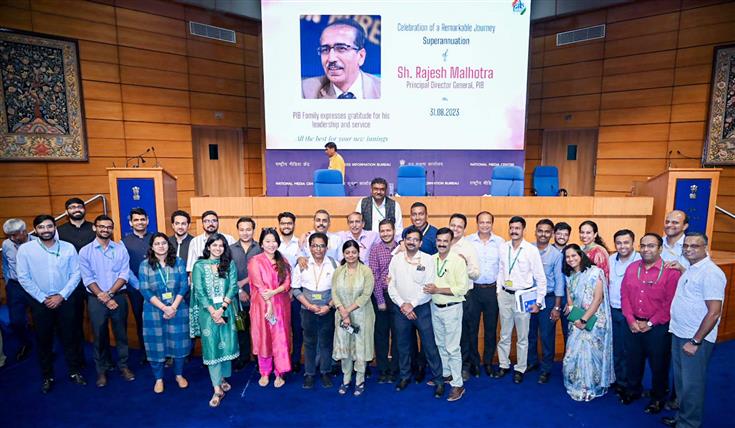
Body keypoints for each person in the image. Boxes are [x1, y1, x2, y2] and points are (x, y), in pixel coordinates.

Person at [662, 233, 726, 428]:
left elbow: (714, 313)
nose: (689, 249)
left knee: (692, 385)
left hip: (695, 338)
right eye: (686, 246)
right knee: (682, 382)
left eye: (695, 246)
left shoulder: (711, 273)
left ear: (706, 247)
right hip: (680, 333)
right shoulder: (691, 269)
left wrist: (696, 341)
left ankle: (688, 424)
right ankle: (682, 417)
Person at [16, 215, 84, 393]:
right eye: (41, 227)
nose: (46, 230)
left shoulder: (68, 247)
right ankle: (47, 376)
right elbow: (23, 277)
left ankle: (74, 371)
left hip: (65, 300)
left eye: (49, 226)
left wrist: (61, 296)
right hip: (41, 303)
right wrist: (43, 298)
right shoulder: (26, 250)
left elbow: (76, 274)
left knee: (70, 338)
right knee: (43, 340)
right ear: (35, 230)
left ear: (55, 227)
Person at [620, 233, 680, 413]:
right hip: (633, 324)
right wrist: (630, 319)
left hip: (658, 328)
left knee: (659, 365)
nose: (646, 249)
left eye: (651, 246)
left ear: (660, 249)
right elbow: (624, 296)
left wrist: (651, 323)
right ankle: (633, 390)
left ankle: (658, 397)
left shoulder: (671, 272)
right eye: (643, 245)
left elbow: (669, 303)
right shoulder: (632, 268)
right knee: (633, 361)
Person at [388, 226, 444, 398]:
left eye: (415, 239)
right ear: (404, 241)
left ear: (420, 243)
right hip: (400, 309)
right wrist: (403, 305)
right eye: (408, 239)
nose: (411, 242)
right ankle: (405, 376)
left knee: (429, 345)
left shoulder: (428, 260)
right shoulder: (396, 259)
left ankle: (439, 380)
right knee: (403, 345)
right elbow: (391, 285)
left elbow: (428, 287)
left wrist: (411, 304)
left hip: (422, 308)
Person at [79, 215, 135, 387]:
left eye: (108, 227)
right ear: (94, 228)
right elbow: (87, 278)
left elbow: (124, 274)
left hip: (117, 296)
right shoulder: (85, 251)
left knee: (121, 334)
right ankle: (101, 370)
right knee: (99, 335)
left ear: (112, 229)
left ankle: (124, 366)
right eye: (101, 226)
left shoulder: (120, 249)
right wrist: (102, 296)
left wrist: (110, 293)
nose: (105, 229)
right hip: (96, 298)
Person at [495, 216, 547, 384]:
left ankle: (520, 368)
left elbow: (541, 278)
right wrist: (498, 291)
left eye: (517, 228)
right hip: (505, 295)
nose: (514, 231)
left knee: (523, 336)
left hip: (523, 297)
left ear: (523, 230)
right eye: (511, 228)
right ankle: (504, 364)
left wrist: (538, 302)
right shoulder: (503, 248)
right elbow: (501, 270)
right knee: (504, 333)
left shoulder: (531, 250)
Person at [190, 233, 239, 407]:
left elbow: (233, 287)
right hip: (207, 314)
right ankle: (217, 388)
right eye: (215, 245)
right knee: (211, 347)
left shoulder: (229, 264)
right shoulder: (199, 266)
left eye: (221, 246)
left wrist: (222, 309)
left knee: (226, 344)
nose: (218, 248)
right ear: (208, 246)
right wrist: (213, 312)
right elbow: (199, 291)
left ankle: (222, 377)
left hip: (226, 310)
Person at [138, 233, 191, 393]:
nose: (161, 246)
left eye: (164, 243)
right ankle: (159, 379)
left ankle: (179, 375)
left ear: (169, 245)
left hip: (178, 308)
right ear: (152, 247)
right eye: (157, 243)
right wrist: (164, 308)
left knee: (179, 343)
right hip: (154, 311)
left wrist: (173, 307)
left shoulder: (179, 262)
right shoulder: (145, 265)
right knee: (156, 345)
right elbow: (145, 289)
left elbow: (184, 285)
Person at [562, 244, 614, 401]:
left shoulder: (595, 272)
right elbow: (570, 297)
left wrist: (584, 319)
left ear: (581, 255)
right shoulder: (570, 275)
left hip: (593, 320)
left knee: (591, 355)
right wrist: (573, 313)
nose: (571, 259)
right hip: (575, 320)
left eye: (574, 255)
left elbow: (598, 299)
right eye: (568, 257)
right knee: (572, 354)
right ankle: (576, 383)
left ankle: (591, 385)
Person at [425, 228, 468, 401]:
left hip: (452, 308)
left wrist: (438, 289)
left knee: (452, 348)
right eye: (439, 240)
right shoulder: (431, 260)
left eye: (445, 241)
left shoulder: (458, 261)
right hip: (435, 307)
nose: (442, 244)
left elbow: (461, 289)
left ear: (451, 242)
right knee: (441, 345)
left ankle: (458, 385)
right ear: (436, 241)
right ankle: (446, 374)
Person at [291, 232, 337, 389]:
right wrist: (309, 305)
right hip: (307, 309)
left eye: (322, 246)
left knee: (326, 342)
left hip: (327, 309)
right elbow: (296, 289)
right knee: (309, 343)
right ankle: (309, 374)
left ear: (326, 247)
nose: (318, 249)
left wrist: (329, 306)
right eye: (315, 245)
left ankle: (325, 372)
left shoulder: (334, 264)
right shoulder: (302, 264)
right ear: (310, 247)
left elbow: (338, 291)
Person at [248, 228, 292, 387]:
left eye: (274, 241)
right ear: (261, 243)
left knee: (281, 338)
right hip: (261, 305)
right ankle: (264, 372)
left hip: (280, 304)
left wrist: (274, 292)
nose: (271, 244)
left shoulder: (283, 261)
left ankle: (280, 373)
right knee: (264, 338)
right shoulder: (255, 261)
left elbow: (287, 284)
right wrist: (268, 303)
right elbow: (258, 285)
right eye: (267, 241)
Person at [57, 197, 98, 367]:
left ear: (84, 209)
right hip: (71, 284)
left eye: (79, 206)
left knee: (98, 321)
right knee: (74, 322)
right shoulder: (59, 231)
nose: (76, 209)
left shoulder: (94, 228)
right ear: (67, 212)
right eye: (72, 207)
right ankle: (78, 359)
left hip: (96, 282)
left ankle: (102, 359)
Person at [332, 240, 375, 396]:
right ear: (344, 254)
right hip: (342, 317)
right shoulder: (338, 271)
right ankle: (346, 379)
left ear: (358, 253)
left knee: (360, 348)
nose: (351, 255)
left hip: (362, 315)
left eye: (354, 252)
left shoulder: (366, 271)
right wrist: (343, 312)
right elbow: (334, 293)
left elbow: (366, 295)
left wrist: (347, 311)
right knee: (345, 348)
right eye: (347, 252)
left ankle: (360, 380)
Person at [302, 18, 380, 99]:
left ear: (361, 56)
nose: (331, 59)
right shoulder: (305, 90)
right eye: (325, 50)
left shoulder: (383, 89)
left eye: (341, 48)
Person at [466, 211, 504, 377]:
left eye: (488, 222)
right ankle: (474, 363)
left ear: (492, 223)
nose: (485, 225)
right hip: (473, 291)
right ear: (477, 223)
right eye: (482, 222)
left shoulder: (500, 242)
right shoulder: (468, 241)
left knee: (490, 330)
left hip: (492, 291)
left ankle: (488, 362)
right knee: (471, 329)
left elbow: (503, 268)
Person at [527, 219, 565, 384]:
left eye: (547, 231)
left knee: (547, 335)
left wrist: (557, 306)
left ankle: (546, 368)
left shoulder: (556, 255)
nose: (543, 234)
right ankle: (532, 362)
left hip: (548, 298)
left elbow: (559, 282)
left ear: (551, 234)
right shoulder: (527, 249)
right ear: (535, 232)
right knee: (530, 333)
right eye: (540, 230)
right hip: (529, 296)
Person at [446, 213, 480, 381]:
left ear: (464, 229)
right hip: (445, 297)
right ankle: (449, 367)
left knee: (464, 333)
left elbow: (476, 274)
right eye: (453, 225)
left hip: (464, 296)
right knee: (449, 334)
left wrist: (463, 264)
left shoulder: (468, 247)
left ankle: (465, 366)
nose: (455, 229)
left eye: (459, 226)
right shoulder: (443, 243)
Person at [607, 229, 641, 397]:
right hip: (613, 310)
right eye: (619, 243)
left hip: (632, 314)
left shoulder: (641, 260)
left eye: (626, 242)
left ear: (633, 243)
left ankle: (631, 385)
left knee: (631, 351)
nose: (622, 246)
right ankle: (619, 381)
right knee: (617, 348)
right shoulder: (611, 259)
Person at [368, 218, 400, 383]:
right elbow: (373, 275)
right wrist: (380, 300)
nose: (386, 233)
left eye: (388, 230)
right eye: (383, 231)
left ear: (394, 231)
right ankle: (383, 370)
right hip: (381, 294)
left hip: (398, 297)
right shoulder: (375, 249)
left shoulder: (401, 248)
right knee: (380, 334)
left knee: (397, 333)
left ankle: (394, 369)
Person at [229, 217, 262, 370]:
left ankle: (258, 357)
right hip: (237, 296)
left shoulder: (260, 248)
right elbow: (228, 272)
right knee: (241, 328)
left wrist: (244, 283)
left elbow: (262, 271)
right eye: (242, 229)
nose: (245, 233)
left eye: (248, 229)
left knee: (257, 328)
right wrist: (240, 289)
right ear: (237, 230)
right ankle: (243, 357)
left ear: (253, 230)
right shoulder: (230, 249)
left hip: (258, 296)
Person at [122, 207, 154, 364]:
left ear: (147, 220)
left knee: (159, 320)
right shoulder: (123, 242)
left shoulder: (156, 238)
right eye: (136, 220)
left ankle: (164, 352)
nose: (140, 222)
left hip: (157, 289)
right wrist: (139, 285)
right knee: (141, 321)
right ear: (130, 222)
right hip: (136, 290)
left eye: (142, 219)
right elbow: (124, 268)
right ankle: (145, 353)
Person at [1, 218, 35, 362]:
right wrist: (8, 281)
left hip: (34, 285)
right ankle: (25, 344)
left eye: (15, 234)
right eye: (9, 235)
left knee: (42, 318)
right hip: (15, 286)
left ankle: (48, 347)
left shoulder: (36, 243)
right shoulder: (6, 244)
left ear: (24, 231)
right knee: (16, 321)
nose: (12, 238)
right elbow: (6, 264)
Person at [276, 211, 303, 372]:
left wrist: (293, 289)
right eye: (283, 223)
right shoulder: (273, 243)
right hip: (277, 295)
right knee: (280, 329)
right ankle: (282, 359)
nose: (286, 226)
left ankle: (295, 359)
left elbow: (301, 268)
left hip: (295, 294)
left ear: (294, 224)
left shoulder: (300, 244)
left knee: (297, 328)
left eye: (289, 223)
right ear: (279, 225)